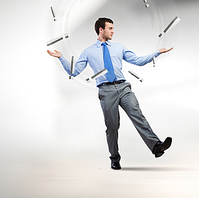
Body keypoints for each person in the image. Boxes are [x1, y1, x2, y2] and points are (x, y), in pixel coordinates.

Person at [47, 17, 174, 170]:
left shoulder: (119, 47)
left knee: (137, 114)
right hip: (106, 91)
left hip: (123, 87)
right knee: (112, 126)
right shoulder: (88, 52)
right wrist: (61, 57)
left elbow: (138, 61)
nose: (113, 31)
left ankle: (156, 146)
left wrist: (156, 53)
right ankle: (114, 158)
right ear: (101, 30)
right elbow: (74, 72)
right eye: (110, 28)